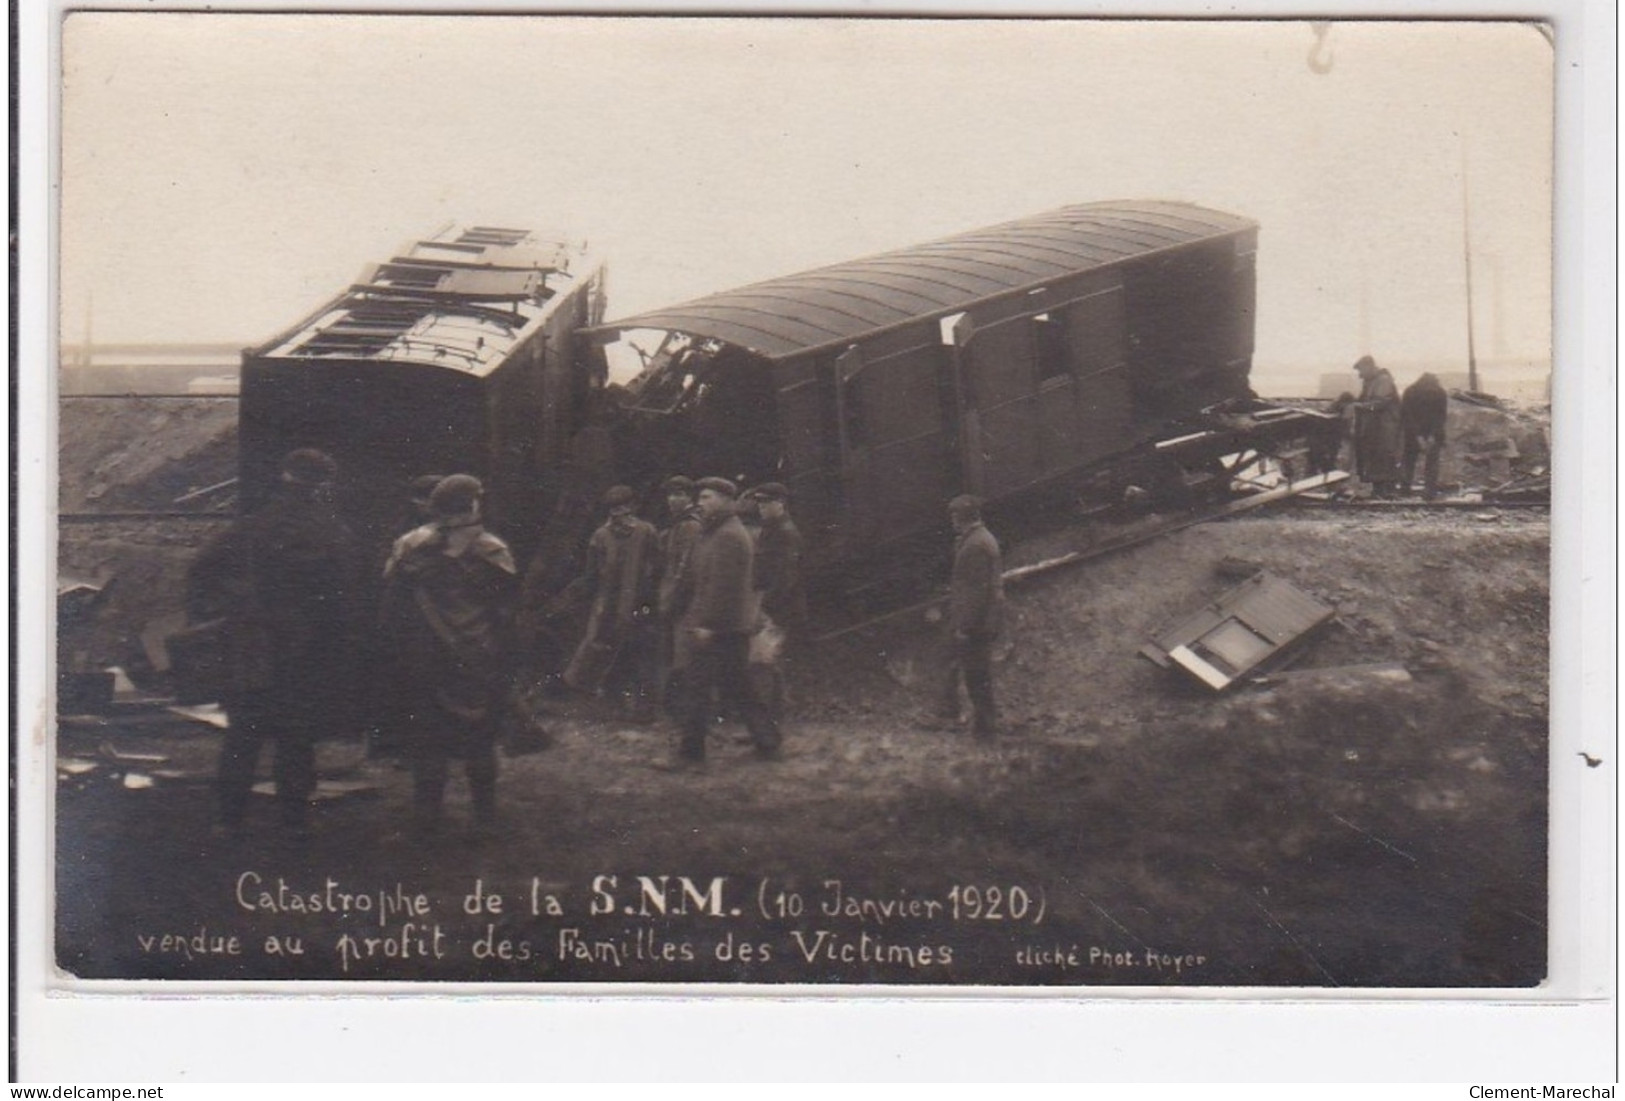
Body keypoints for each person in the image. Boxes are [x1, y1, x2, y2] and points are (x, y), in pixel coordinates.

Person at [186, 447, 358, 839]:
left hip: (254, 646)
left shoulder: (251, 527)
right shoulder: (333, 533)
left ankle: (227, 821)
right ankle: (293, 823)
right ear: (322, 486)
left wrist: (227, 610)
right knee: (297, 739)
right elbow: (345, 596)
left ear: (285, 478)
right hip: (304, 650)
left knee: (242, 734)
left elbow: (201, 569)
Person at [381, 474, 518, 839]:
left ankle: (427, 820)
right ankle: (484, 818)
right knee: (479, 740)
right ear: (473, 505)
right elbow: (506, 614)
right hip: (475, 659)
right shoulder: (492, 548)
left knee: (428, 742)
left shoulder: (409, 545)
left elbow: (391, 603)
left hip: (424, 660)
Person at [668, 477, 782, 764]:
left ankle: (690, 755)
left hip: (720, 627)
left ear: (725, 501)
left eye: (707, 497)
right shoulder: (712, 533)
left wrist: (707, 624)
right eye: (700, 498)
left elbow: (725, 587)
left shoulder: (729, 536)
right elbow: (697, 578)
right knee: (739, 686)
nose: (700, 503)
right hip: (727, 627)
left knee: (697, 687)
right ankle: (768, 742)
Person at [562, 484, 660, 720]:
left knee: (640, 655)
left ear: (634, 507)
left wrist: (650, 600)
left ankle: (644, 708)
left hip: (639, 603)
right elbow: (592, 573)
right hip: (607, 606)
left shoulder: (646, 532)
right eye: (614, 509)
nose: (620, 513)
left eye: (625, 507)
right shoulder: (600, 536)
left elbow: (657, 566)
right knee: (603, 652)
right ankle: (610, 704)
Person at [939, 494, 1004, 741]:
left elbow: (977, 591)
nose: (952, 521)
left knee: (977, 677)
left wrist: (964, 627)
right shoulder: (978, 539)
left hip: (977, 623)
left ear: (965, 517)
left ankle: (986, 731)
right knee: (978, 676)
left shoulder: (975, 545)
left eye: (955, 516)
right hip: (982, 620)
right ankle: (983, 728)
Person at [745, 482, 807, 722]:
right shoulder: (772, 529)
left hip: (779, 609)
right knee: (768, 664)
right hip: (773, 607)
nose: (761, 507)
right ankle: (771, 717)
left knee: (765, 662)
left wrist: (765, 608)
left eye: (766, 502)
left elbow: (785, 579)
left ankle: (768, 720)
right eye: (759, 502)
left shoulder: (785, 532)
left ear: (780, 504)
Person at [655, 475, 704, 699]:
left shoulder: (690, 526)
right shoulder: (676, 525)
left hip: (685, 601)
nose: (673, 500)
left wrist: (672, 602)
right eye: (670, 495)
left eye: (679, 495)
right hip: (673, 599)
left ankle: (687, 708)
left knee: (685, 655)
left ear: (690, 498)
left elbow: (686, 570)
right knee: (675, 654)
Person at [1351, 355, 1403, 497]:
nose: (1360, 374)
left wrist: (1360, 407)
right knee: (1375, 458)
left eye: (1361, 370)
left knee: (1383, 457)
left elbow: (1380, 403)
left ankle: (1386, 490)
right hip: (1375, 427)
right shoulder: (1371, 381)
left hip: (1385, 427)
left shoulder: (1383, 381)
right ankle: (1379, 489)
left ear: (1370, 366)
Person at [1401, 371, 1450, 500]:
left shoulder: (1440, 393)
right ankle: (1405, 488)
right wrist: (1418, 436)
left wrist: (1433, 436)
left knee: (1431, 461)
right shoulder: (1410, 393)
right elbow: (1407, 416)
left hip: (1433, 432)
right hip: (1412, 432)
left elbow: (1440, 417)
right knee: (1409, 460)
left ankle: (1430, 491)